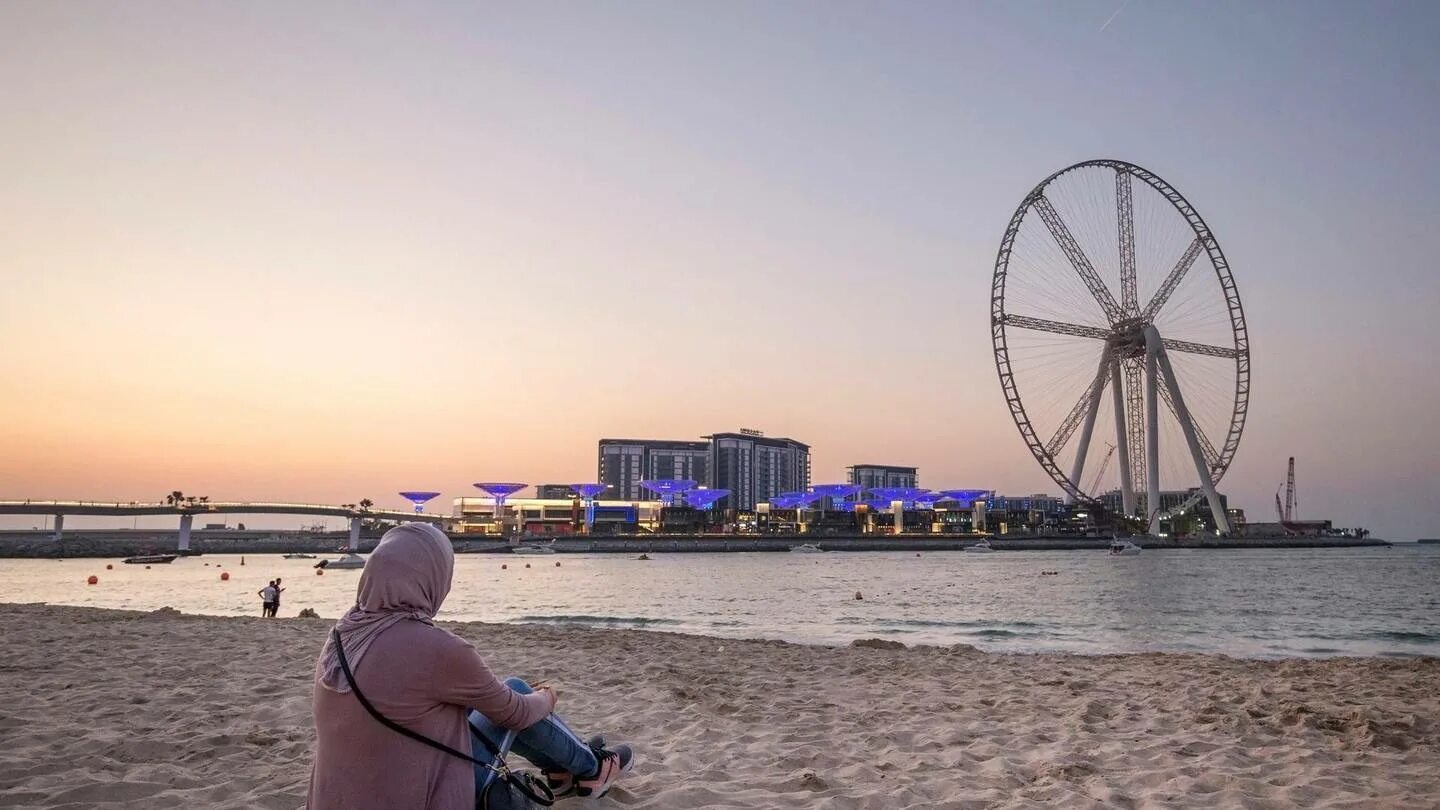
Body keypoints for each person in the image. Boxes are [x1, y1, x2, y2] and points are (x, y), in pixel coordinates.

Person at [307, 523, 633, 810]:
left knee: (460, 708)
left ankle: (563, 773)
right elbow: (514, 712)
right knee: (518, 691)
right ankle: (592, 769)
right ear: (435, 576)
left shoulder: (342, 633)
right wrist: (548, 695)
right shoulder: (436, 647)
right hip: (417, 800)